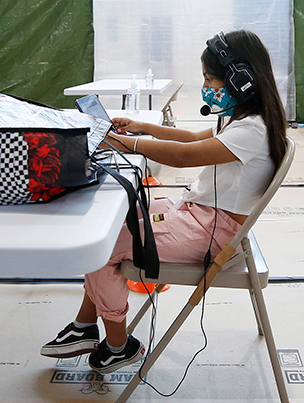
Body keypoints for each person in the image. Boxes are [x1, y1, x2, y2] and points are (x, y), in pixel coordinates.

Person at [40, 29, 289, 373]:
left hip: (210, 235)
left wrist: (124, 144)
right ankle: (84, 326)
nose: (207, 86)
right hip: (198, 216)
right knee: (118, 220)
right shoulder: (245, 120)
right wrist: (141, 128)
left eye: (209, 78)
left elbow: (185, 156)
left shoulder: (251, 130)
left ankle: (118, 345)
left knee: (101, 246)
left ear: (241, 80)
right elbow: (190, 137)